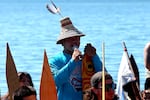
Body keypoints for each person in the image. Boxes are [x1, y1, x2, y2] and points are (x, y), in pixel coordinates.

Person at [49, 17, 105, 100]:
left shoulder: (87, 59)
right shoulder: (55, 60)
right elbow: (55, 82)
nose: (74, 41)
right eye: (70, 39)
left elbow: (104, 77)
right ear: (62, 42)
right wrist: (73, 62)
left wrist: (94, 56)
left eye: (77, 38)